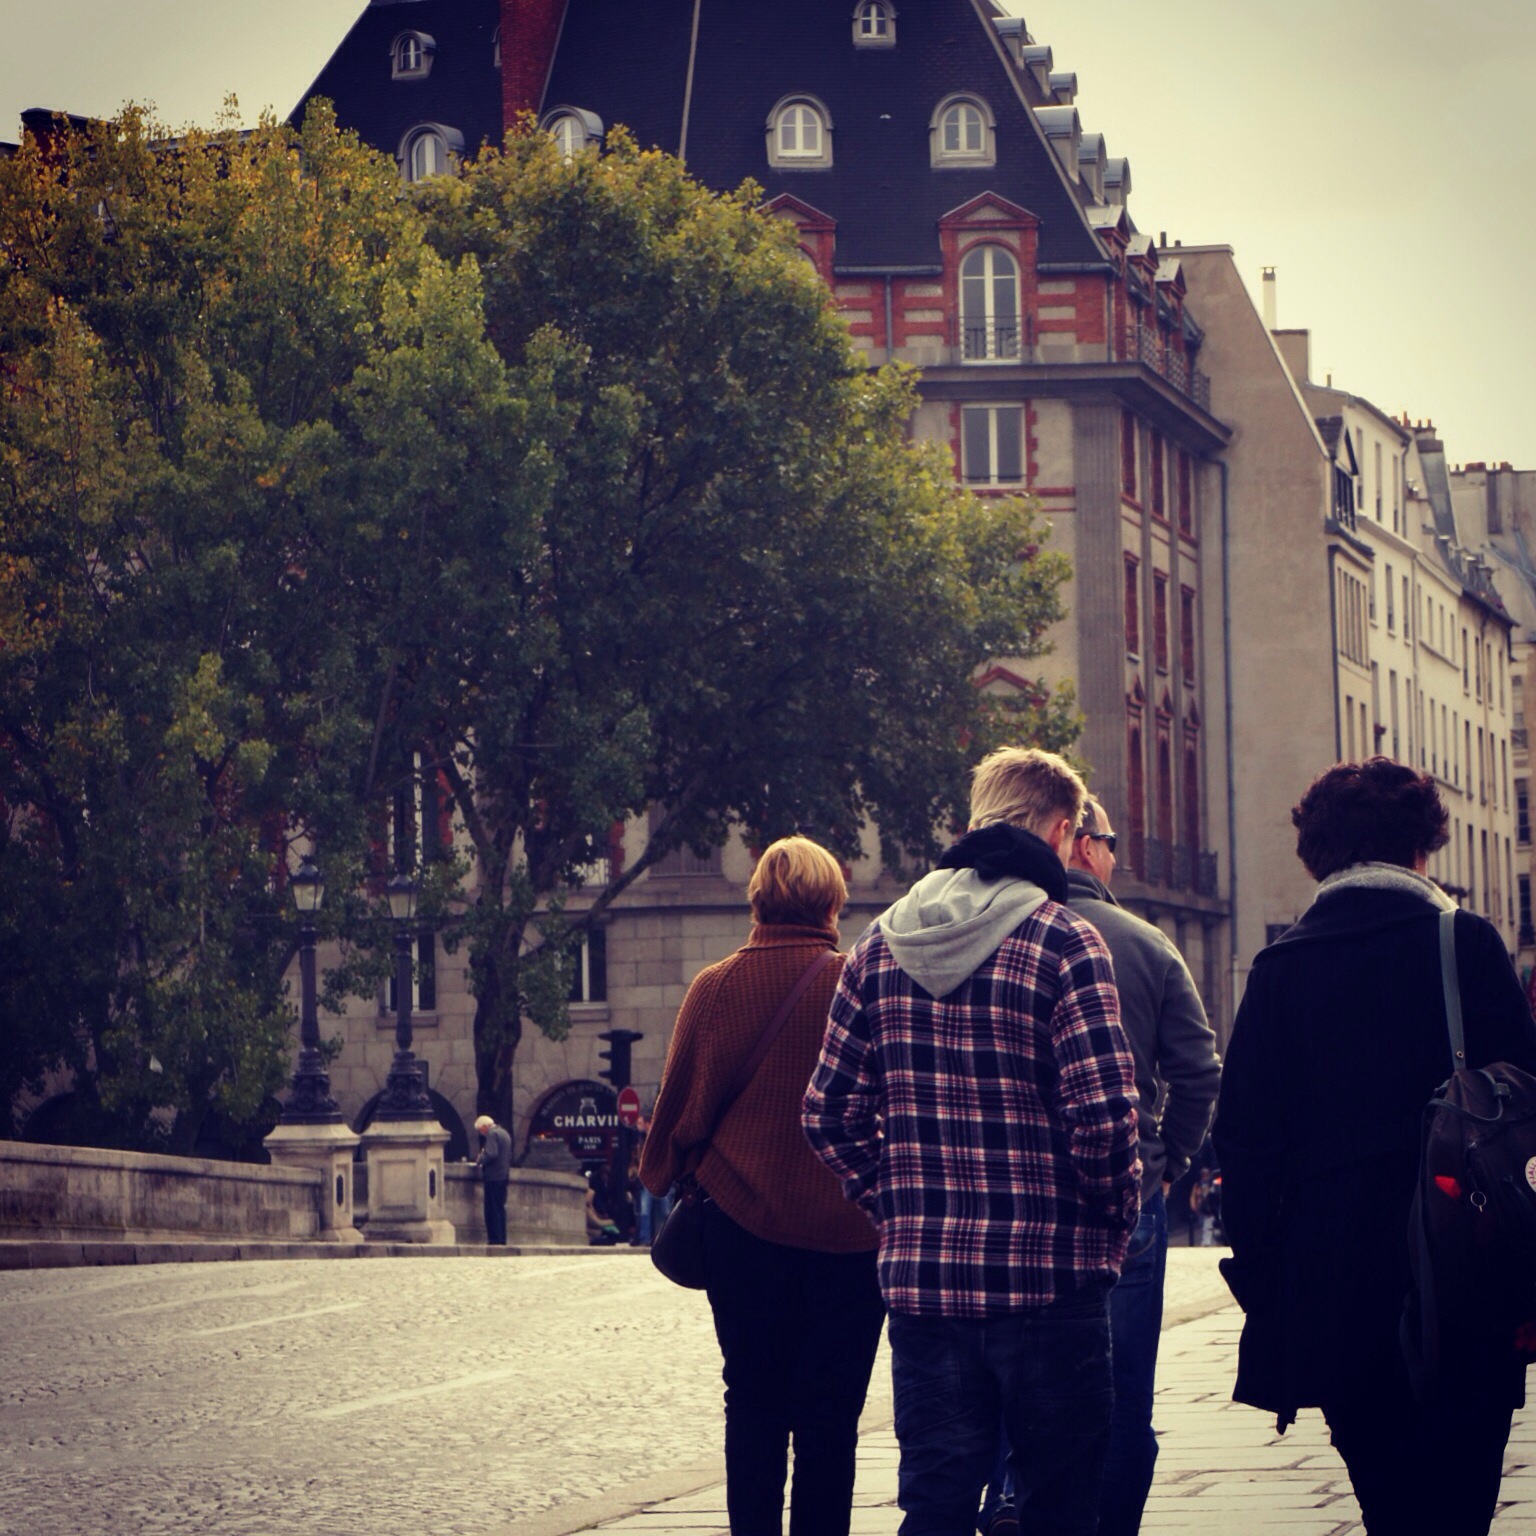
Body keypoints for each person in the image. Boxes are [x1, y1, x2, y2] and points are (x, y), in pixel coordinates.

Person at [804, 747, 1140, 1536]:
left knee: (936, 1504)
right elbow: (1103, 1118)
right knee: (1060, 1506)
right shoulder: (1065, 942)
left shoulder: (877, 949)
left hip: (927, 1287)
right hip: (1051, 1280)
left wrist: (897, 1206)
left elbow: (828, 1113)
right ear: (1061, 833)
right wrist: (1109, 1219)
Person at [1214, 757, 1536, 1534]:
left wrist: (1266, 1281)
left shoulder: (1280, 968)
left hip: (1337, 1285)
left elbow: (1245, 1145)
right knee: (1462, 1496)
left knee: (1386, 1499)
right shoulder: (1463, 943)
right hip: (1468, 1266)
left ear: (1316, 855)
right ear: (1423, 847)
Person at [641, 836, 884, 1536]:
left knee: (752, 1400)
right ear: (833, 904)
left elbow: (679, 1113)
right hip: (849, 1235)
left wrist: (664, 1169)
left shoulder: (717, 987)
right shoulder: (862, 985)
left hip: (743, 1229)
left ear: (757, 901)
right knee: (832, 1416)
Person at [473, 1113, 513, 1246]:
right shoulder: (504, 1133)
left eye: (481, 1130)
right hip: (503, 1175)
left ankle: (494, 1239)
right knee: (500, 1209)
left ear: (485, 1126)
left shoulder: (492, 1134)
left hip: (493, 1176)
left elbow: (492, 1153)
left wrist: (480, 1159)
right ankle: (501, 1238)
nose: (481, 1133)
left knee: (492, 1209)